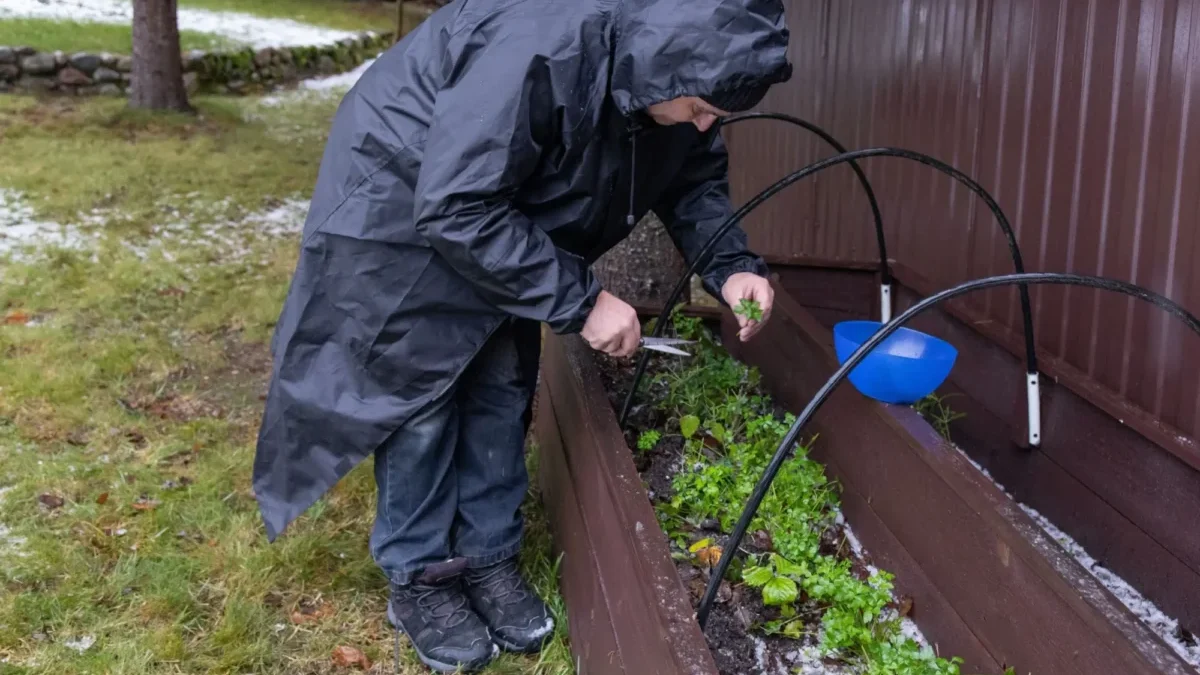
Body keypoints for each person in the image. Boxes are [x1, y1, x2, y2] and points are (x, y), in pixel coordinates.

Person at [252, 0, 791, 669]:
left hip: (500, 208)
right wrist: (584, 300)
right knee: (423, 396)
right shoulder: (542, 50)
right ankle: (420, 575)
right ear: (665, 66)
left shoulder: (671, 77)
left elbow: (691, 176)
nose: (708, 124)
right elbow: (454, 204)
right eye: (702, 107)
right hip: (407, 196)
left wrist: (732, 264)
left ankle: (487, 556)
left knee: (503, 378)